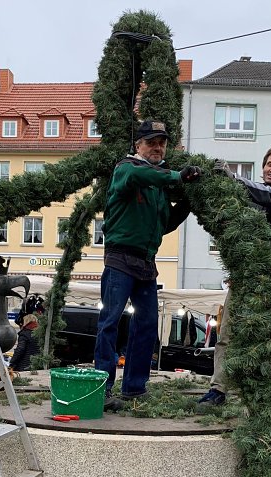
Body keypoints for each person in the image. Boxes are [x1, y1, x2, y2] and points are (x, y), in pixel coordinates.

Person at [94, 120, 201, 410]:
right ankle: (101, 389)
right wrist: (179, 176)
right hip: (119, 258)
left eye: (161, 142)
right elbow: (142, 174)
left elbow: (163, 224)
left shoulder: (157, 186)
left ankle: (134, 388)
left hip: (146, 262)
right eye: (151, 142)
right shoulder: (127, 168)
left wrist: (189, 204)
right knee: (110, 322)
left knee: (147, 325)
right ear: (138, 146)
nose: (157, 147)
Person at [199, 144, 271, 407]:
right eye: (270, 164)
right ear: (263, 166)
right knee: (228, 333)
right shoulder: (251, 196)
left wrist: (233, 178)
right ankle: (218, 389)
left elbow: (266, 195)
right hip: (246, 275)